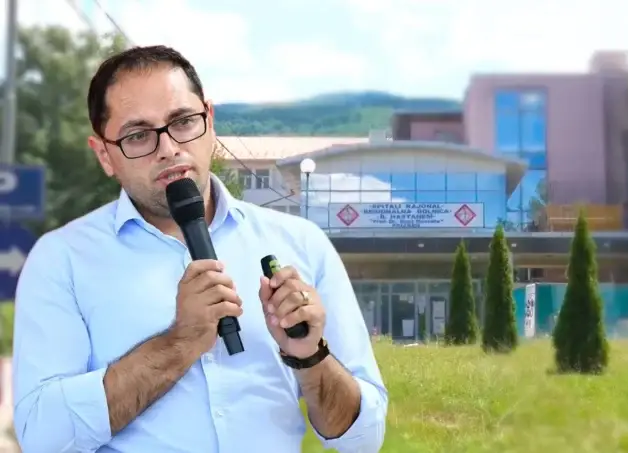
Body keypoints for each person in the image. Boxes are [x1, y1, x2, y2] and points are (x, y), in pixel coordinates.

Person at [11, 45, 388, 453]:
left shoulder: (300, 243)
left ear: (209, 121)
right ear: (104, 154)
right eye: (138, 135)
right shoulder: (61, 259)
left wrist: (310, 356)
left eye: (183, 122)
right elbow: (43, 437)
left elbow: (364, 439)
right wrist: (180, 343)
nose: (169, 148)